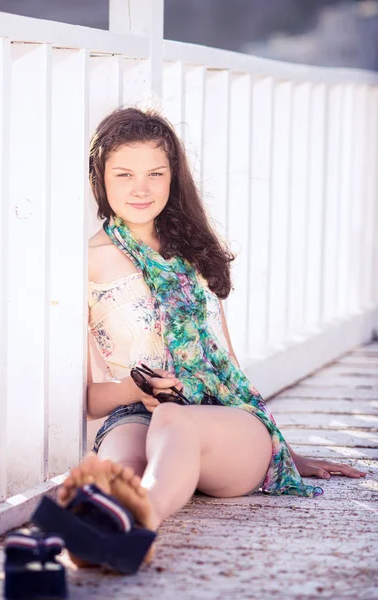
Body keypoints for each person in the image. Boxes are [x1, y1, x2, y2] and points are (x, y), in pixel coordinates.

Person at [57, 107, 366, 566]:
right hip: (135, 413)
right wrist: (138, 390)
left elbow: (232, 369)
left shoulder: (193, 252)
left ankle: (139, 525)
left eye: (155, 173)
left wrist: (287, 451)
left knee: (172, 422)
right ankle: (98, 529)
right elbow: (92, 401)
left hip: (222, 422)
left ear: (172, 177)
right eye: (124, 174)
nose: (140, 188)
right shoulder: (88, 262)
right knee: (116, 468)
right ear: (100, 181)